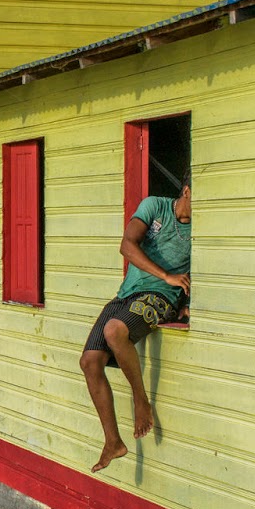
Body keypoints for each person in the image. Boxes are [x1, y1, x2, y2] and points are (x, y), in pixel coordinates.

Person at [80, 179, 191, 473]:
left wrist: (187, 299)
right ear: (187, 191)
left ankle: (141, 402)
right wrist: (166, 273)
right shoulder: (154, 205)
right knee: (90, 361)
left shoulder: (202, 230)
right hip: (127, 293)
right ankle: (113, 441)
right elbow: (127, 245)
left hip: (162, 297)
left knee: (115, 331)